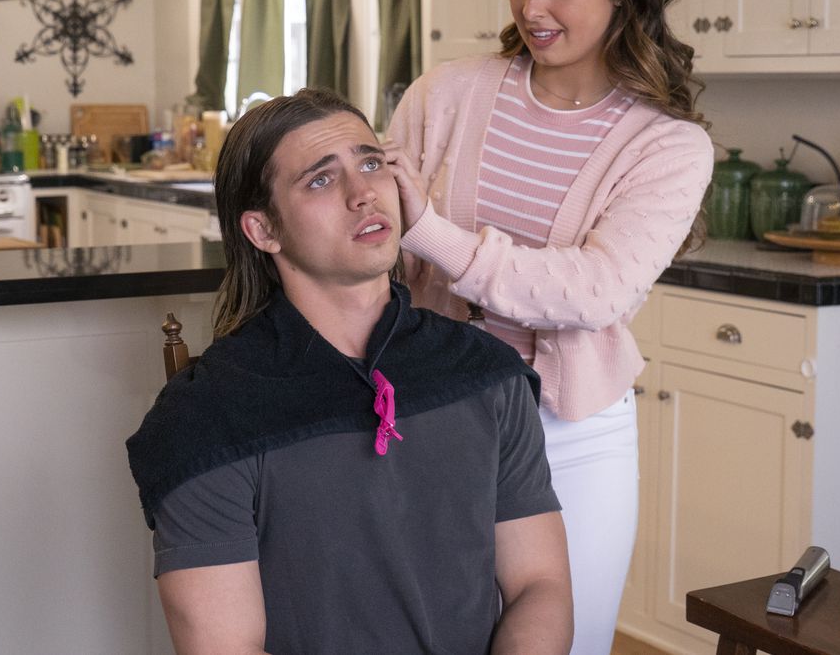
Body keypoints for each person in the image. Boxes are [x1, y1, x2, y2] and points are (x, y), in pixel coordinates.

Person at [384, 0, 713, 655]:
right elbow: (377, 246)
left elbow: (594, 290)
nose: (532, 9)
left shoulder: (666, 144)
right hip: (429, 412)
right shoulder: (448, 94)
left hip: (571, 433)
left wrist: (431, 230)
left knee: (567, 640)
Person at [126, 89, 573, 655]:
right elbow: (225, 647)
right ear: (263, 231)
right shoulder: (207, 418)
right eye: (320, 180)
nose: (363, 193)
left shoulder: (486, 373)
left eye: (370, 164)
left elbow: (541, 585)